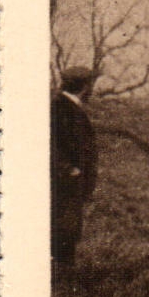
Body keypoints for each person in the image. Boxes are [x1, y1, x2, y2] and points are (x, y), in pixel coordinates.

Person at [51, 66, 99, 268]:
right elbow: (49, 144)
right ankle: (61, 277)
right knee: (61, 233)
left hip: (71, 185)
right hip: (63, 185)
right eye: (90, 85)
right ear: (84, 87)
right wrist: (68, 169)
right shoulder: (59, 108)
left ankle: (63, 273)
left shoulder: (70, 107)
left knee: (67, 233)